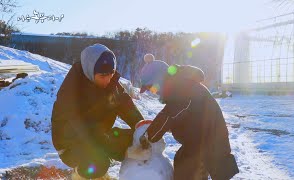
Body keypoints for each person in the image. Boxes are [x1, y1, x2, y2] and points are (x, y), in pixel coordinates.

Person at [139, 54, 239, 180]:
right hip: (199, 141)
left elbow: (169, 114)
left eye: (151, 88)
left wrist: (149, 135)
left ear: (159, 80)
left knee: (188, 171)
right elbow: (181, 115)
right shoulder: (180, 85)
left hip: (209, 144)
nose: (152, 92)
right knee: (182, 160)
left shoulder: (182, 88)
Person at [51, 44, 144, 179]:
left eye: (111, 74)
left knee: (136, 140)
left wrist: (142, 127)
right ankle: (79, 175)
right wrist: (108, 145)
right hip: (71, 144)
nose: (108, 79)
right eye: (102, 75)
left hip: (97, 134)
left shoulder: (110, 83)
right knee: (98, 162)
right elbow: (79, 127)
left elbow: (125, 105)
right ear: (90, 70)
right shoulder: (72, 90)